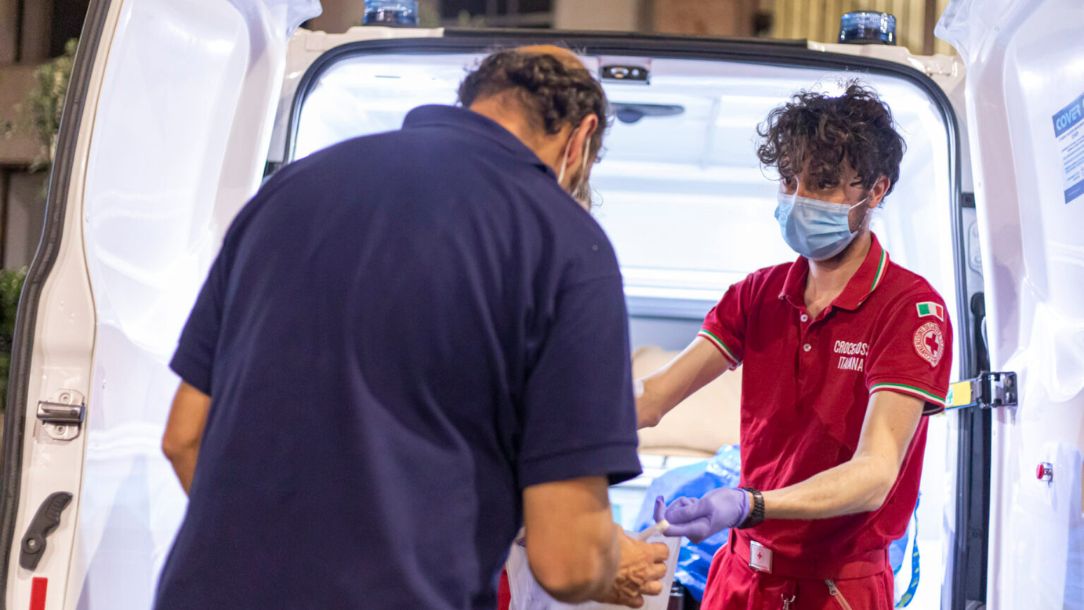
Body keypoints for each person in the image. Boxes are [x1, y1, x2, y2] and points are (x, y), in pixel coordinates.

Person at [157, 45, 668, 610]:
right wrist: (614, 559)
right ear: (580, 140)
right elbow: (568, 563)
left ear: (475, 102)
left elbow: (184, 437)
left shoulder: (288, 191)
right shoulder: (566, 242)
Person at [638, 83, 953, 609]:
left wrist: (750, 504)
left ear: (876, 191)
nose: (799, 197)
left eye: (824, 184)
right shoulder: (758, 294)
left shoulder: (911, 309)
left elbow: (875, 474)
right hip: (740, 577)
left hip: (835, 588)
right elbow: (653, 397)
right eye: (789, 180)